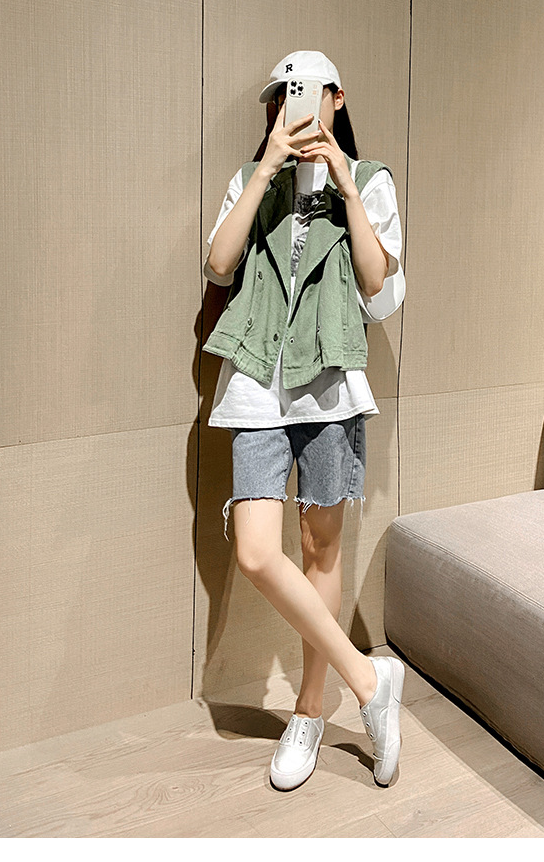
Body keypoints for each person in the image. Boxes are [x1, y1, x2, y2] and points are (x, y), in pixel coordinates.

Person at [202, 50, 406, 791]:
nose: (287, 104)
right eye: (279, 95)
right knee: (258, 551)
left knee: (322, 549)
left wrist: (345, 182)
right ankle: (370, 678)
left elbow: (378, 288)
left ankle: (311, 711)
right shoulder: (254, 178)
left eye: (302, 91)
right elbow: (219, 264)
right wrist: (266, 168)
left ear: (335, 97)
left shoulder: (371, 179)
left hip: (329, 387)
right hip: (257, 384)